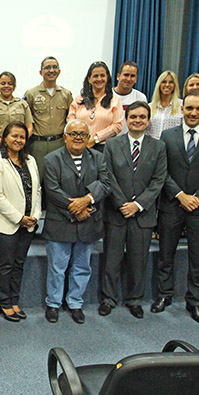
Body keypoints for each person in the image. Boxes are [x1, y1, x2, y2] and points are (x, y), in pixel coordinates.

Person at [152, 91, 199, 325]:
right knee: (166, 254)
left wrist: (198, 197)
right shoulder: (168, 135)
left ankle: (194, 300)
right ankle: (164, 295)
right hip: (172, 204)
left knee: (198, 258)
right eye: (189, 108)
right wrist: (180, 195)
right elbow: (161, 170)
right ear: (182, 109)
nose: (193, 113)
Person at [101, 102, 167, 319]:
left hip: (143, 214)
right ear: (126, 119)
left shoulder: (158, 147)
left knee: (138, 262)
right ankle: (108, 299)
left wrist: (138, 205)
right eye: (133, 117)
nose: (137, 120)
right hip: (116, 212)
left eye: (142, 117)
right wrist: (123, 203)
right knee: (111, 260)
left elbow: (158, 180)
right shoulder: (112, 144)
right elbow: (107, 175)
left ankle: (135, 300)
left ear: (148, 121)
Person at [42, 120, 111, 324]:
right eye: (73, 133)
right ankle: (53, 303)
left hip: (89, 221)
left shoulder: (98, 158)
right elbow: (52, 190)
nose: (78, 137)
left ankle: (74, 303)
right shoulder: (51, 159)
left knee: (82, 267)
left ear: (89, 137)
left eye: (82, 134)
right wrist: (76, 209)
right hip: (60, 221)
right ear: (65, 137)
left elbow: (105, 184)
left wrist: (86, 201)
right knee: (57, 268)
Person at [0, 122, 41, 321]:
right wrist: (19, 218)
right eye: (14, 136)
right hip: (5, 222)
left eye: (22, 137)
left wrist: (35, 215)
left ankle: (15, 300)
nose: (18, 140)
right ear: (5, 138)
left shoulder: (31, 160)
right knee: (6, 264)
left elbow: (37, 190)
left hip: (29, 222)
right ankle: (4, 302)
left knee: (19, 263)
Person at [25, 56, 72, 183]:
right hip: (38, 145)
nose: (51, 70)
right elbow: (25, 120)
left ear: (59, 71)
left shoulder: (66, 94)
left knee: (60, 179)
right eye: (47, 67)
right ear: (41, 72)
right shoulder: (31, 94)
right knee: (36, 179)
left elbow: (70, 120)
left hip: (59, 143)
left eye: (54, 67)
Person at [67, 61, 123, 150]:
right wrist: (80, 137)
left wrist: (96, 139)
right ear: (89, 79)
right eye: (95, 76)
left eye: (102, 75)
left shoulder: (115, 100)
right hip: (80, 145)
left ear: (107, 78)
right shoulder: (79, 99)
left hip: (104, 147)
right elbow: (71, 121)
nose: (99, 79)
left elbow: (117, 125)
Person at [0, 71, 33, 157]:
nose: (6, 86)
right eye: (3, 83)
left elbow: (29, 127)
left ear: (14, 86)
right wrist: (4, 143)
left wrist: (19, 142)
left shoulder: (23, 104)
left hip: (19, 150)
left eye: (10, 83)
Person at [146, 70, 183, 140]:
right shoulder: (149, 107)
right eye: (164, 82)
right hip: (152, 145)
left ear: (175, 85)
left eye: (171, 82)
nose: (167, 85)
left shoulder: (182, 106)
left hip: (173, 145)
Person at [113, 61, 147, 135]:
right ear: (118, 76)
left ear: (136, 78)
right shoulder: (107, 95)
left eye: (132, 76)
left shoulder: (141, 98)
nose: (128, 79)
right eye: (126, 75)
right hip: (109, 140)